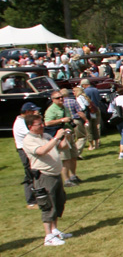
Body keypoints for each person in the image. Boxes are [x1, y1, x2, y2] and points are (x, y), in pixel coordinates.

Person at [22, 114, 71, 245]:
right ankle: (48, 236)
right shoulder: (28, 140)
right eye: (39, 124)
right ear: (31, 127)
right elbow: (42, 151)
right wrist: (56, 138)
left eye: (42, 123)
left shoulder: (45, 136)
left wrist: (65, 135)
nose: (42, 126)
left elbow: (63, 147)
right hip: (44, 176)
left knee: (58, 202)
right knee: (47, 205)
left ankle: (55, 230)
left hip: (55, 174)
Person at [14, 102, 41, 209]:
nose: (35, 113)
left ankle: (39, 196)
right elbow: (32, 132)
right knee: (29, 174)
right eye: (33, 111)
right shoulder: (20, 123)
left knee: (35, 172)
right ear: (27, 112)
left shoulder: (25, 121)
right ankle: (31, 201)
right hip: (24, 150)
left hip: (29, 149)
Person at [81, 79, 102, 150]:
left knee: (89, 127)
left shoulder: (85, 91)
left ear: (84, 85)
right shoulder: (95, 89)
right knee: (97, 125)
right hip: (97, 108)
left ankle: (91, 144)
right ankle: (98, 141)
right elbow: (99, 98)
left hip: (90, 110)